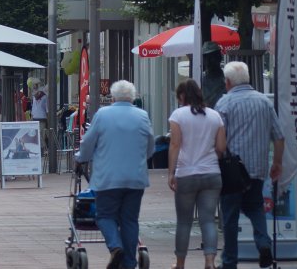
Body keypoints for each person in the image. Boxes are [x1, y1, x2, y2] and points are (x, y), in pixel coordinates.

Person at [75, 80, 153, 269]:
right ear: (132, 97)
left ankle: (115, 246)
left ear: (113, 97)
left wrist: (80, 157)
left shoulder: (103, 114)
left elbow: (88, 143)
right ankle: (129, 263)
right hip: (135, 178)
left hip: (108, 178)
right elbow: (150, 146)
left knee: (104, 216)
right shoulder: (142, 115)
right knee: (129, 219)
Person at [214, 61, 284, 269]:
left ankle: (229, 262)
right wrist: (277, 163)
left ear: (227, 82)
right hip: (258, 167)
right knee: (255, 208)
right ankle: (263, 245)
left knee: (230, 216)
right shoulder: (264, 102)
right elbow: (279, 137)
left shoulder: (224, 103)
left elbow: (220, 140)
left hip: (232, 170)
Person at [167, 79, 227, 269]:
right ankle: (210, 261)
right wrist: (208, 157)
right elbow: (221, 147)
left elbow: (175, 145)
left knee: (184, 222)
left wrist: (171, 172)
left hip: (186, 174)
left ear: (182, 96)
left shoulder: (178, 115)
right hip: (211, 174)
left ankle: (180, 263)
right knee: (208, 220)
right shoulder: (215, 116)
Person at [201, 41, 226, 108]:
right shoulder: (200, 81)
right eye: (205, 58)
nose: (208, 62)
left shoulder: (227, 80)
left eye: (211, 57)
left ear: (219, 58)